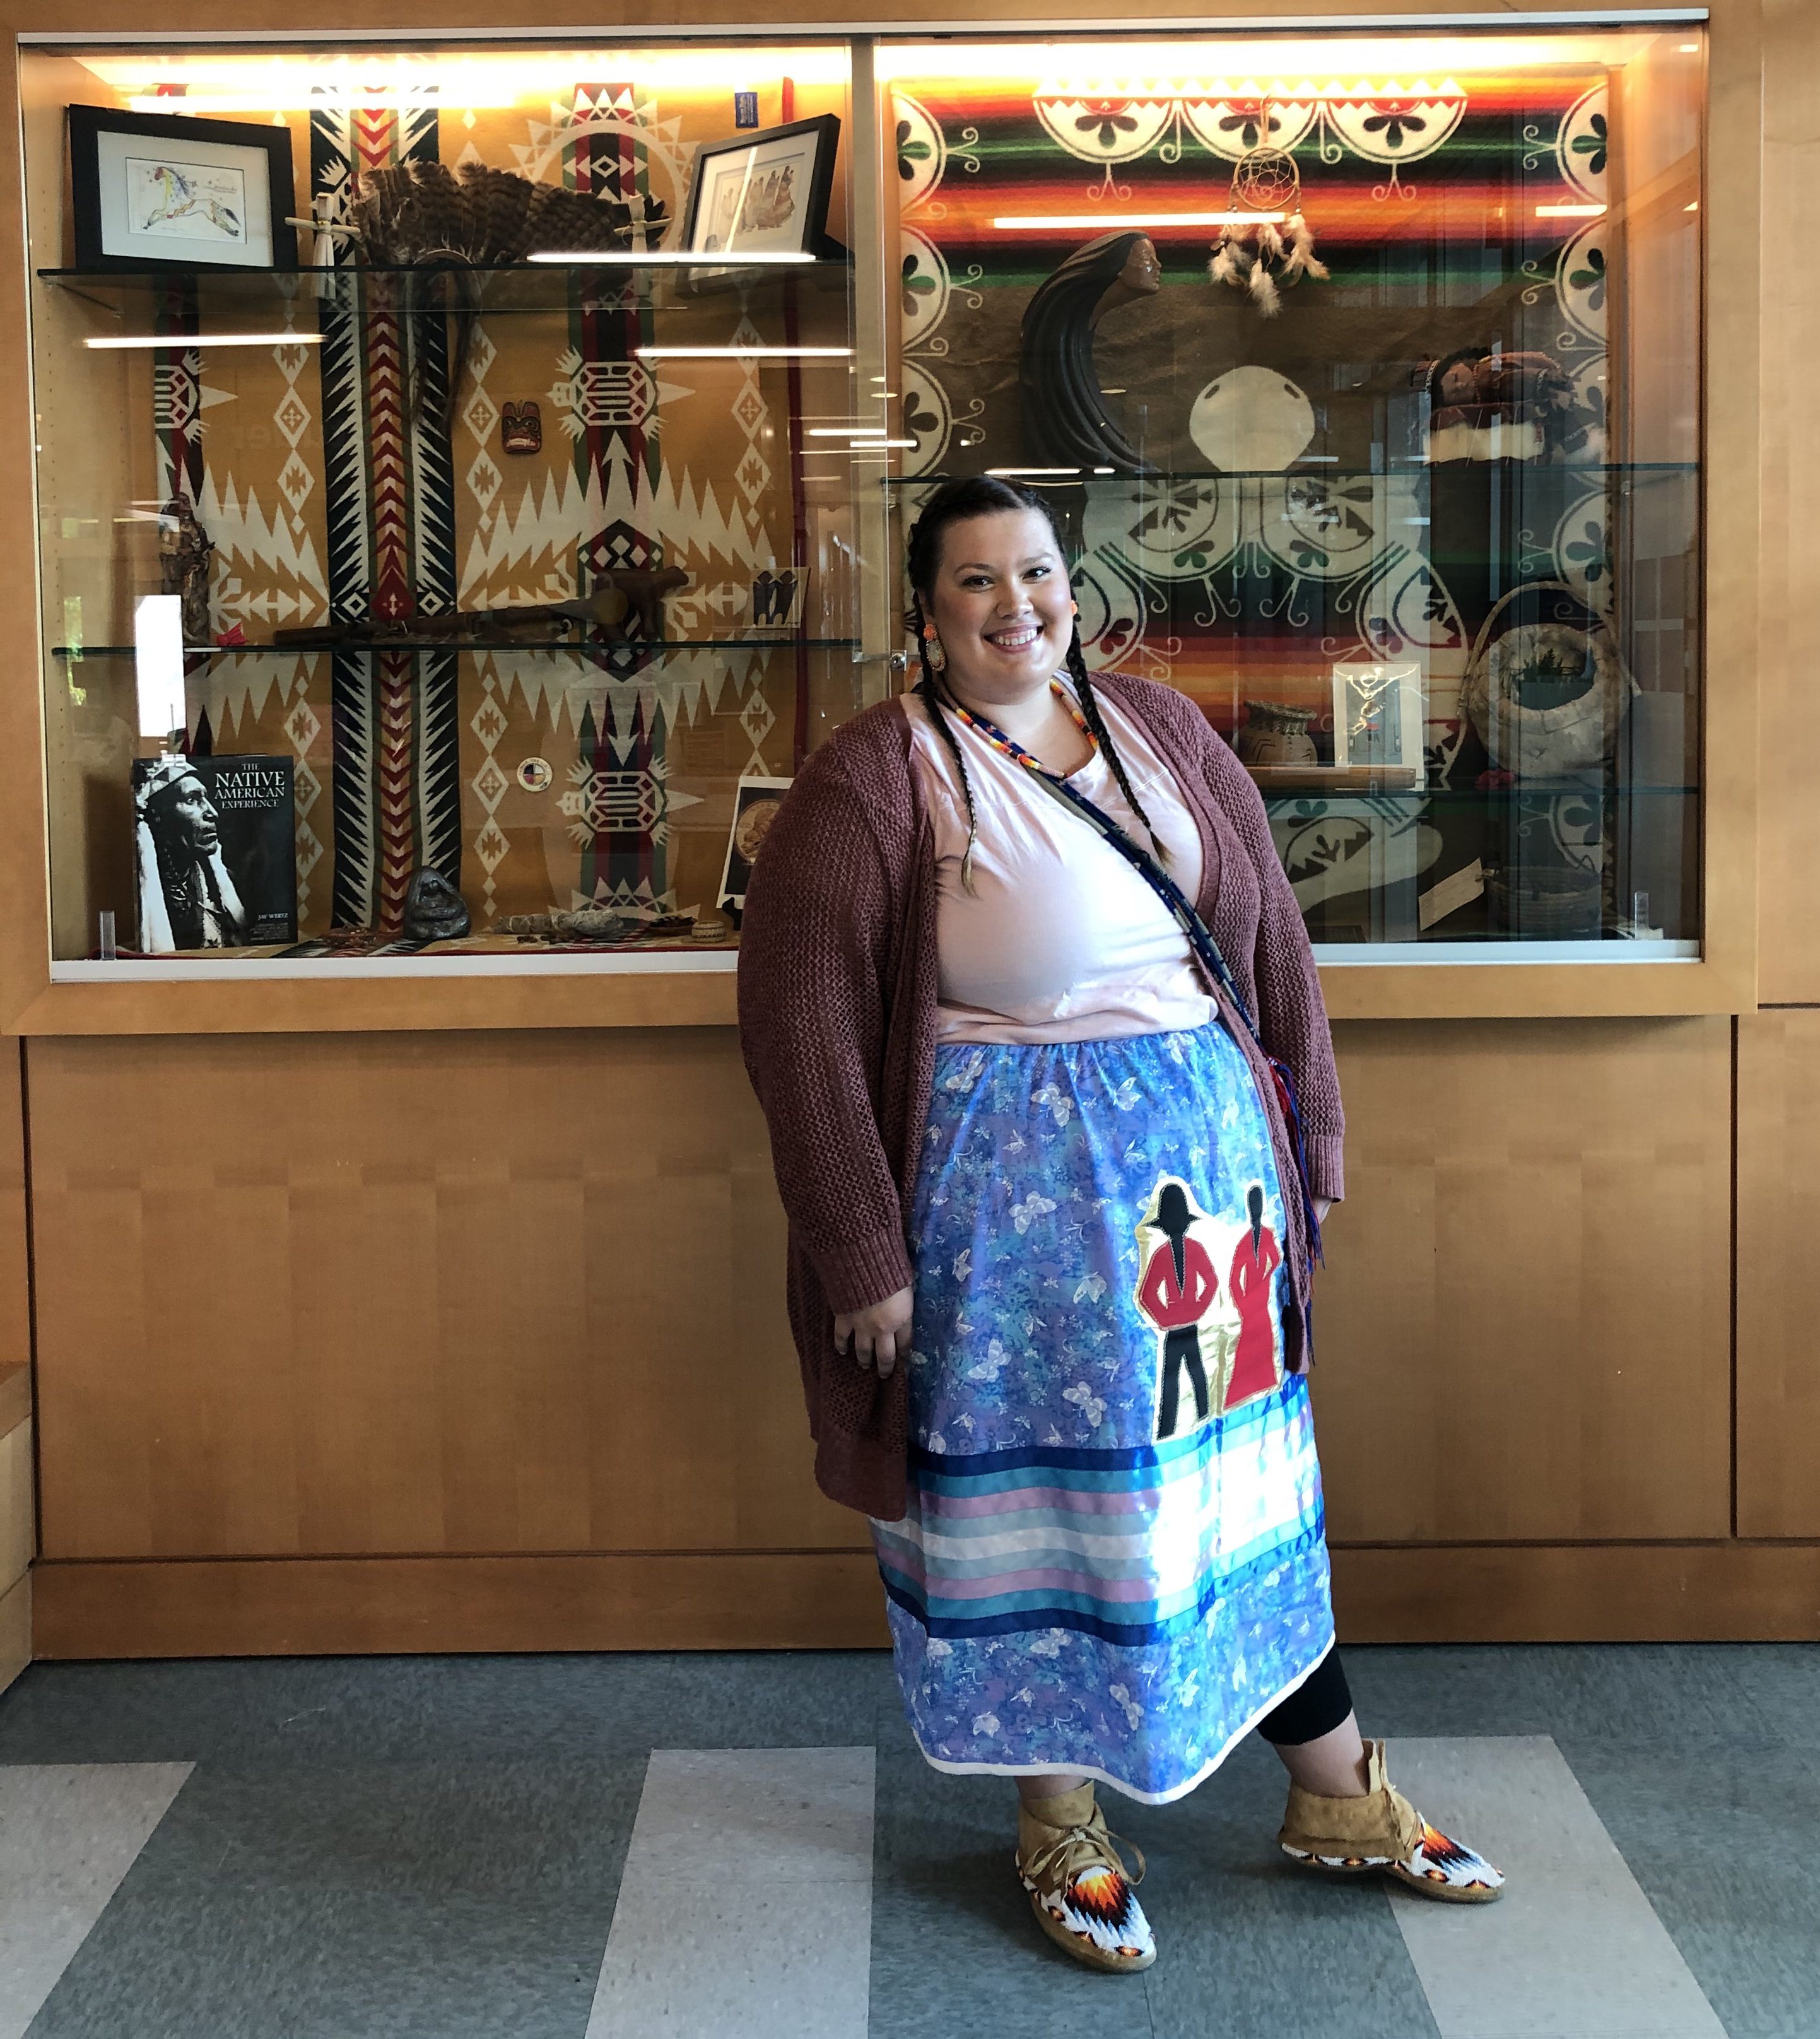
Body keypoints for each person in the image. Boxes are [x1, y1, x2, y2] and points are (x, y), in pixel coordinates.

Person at [738, 475, 1503, 1977]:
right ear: (925, 611)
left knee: (1231, 1501)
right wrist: (863, 1253)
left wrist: (1311, 1146)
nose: (1014, 603)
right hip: (1005, 1229)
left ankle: (1337, 1791)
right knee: (1054, 1516)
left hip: (1204, 1214)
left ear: (1070, 584)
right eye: (975, 581)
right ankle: (1059, 1816)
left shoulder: (1162, 731)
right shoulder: (872, 777)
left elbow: (1270, 937)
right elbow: (800, 1024)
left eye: (1035, 571)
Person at [134, 756, 248, 953]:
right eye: (191, 800)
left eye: (205, 798)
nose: (212, 812)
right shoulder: (139, 896)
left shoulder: (228, 882)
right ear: (159, 817)